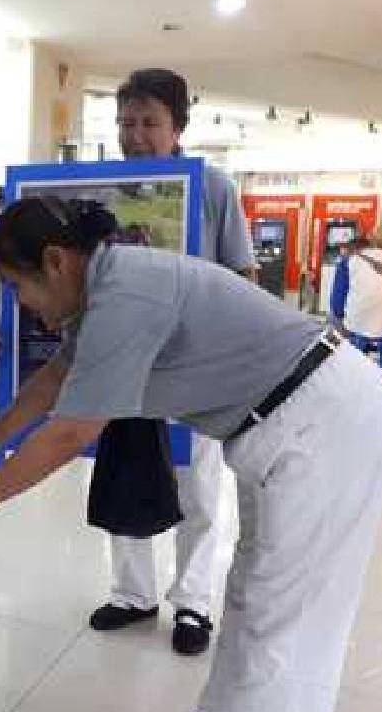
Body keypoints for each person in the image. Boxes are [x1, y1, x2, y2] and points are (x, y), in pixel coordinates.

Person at [0, 197, 382, 712]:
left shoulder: (124, 295)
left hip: (329, 423)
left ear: (55, 261)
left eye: (16, 285)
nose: (20, 304)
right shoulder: (101, 290)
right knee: (250, 596)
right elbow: (53, 381)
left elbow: (68, 434)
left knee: (288, 616)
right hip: (283, 422)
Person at [90, 69, 257, 656]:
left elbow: (241, 273)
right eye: (126, 123)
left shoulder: (211, 189)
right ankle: (133, 593)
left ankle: (193, 602)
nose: (136, 136)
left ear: (178, 128)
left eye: (149, 123)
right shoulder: (100, 191)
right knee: (124, 470)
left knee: (199, 489)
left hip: (195, 364)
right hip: (123, 362)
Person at [329, 223, 382, 380]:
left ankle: (348, 381)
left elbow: (337, 299)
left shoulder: (350, 261)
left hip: (356, 325)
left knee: (351, 367)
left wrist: (340, 318)